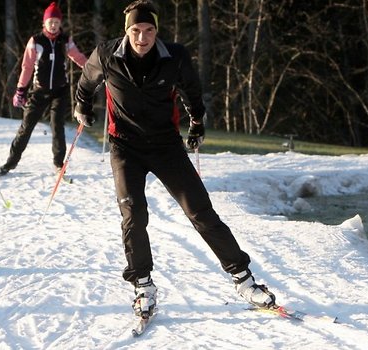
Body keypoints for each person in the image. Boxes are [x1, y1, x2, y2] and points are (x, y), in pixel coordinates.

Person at [73, 0, 276, 318]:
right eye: (136, 30)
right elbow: (86, 84)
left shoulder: (175, 57)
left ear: (157, 30)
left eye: (149, 30)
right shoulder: (107, 55)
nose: (143, 38)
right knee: (133, 214)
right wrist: (82, 106)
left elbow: (192, 92)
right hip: (125, 147)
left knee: (200, 211)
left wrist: (197, 123)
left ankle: (244, 280)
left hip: (166, 146)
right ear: (127, 30)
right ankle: (142, 285)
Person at [0, 2, 88, 176]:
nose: (53, 25)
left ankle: (58, 164)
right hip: (39, 90)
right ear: (44, 23)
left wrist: (94, 69)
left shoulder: (65, 40)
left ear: (60, 24)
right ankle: (10, 163)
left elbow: (78, 58)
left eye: (56, 22)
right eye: (50, 21)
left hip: (59, 91)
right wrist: (20, 90)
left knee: (57, 126)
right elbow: (27, 66)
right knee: (26, 127)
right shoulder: (36, 41)